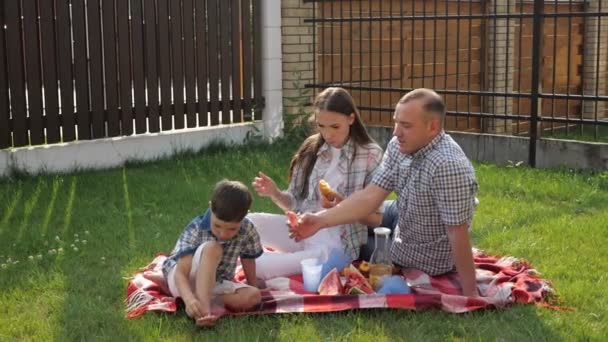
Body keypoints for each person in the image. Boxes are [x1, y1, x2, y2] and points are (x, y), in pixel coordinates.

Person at [290, 88, 480, 297]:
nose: (396, 132)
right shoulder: (399, 145)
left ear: (433, 127)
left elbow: (457, 232)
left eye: (406, 125)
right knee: (360, 219)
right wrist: (320, 220)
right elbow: (370, 195)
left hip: (417, 253)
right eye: (396, 122)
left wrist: (471, 294)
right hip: (403, 213)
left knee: (355, 245)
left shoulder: (448, 166)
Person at [248, 87, 384, 279]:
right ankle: (205, 259)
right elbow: (294, 202)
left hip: (334, 246)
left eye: (335, 127)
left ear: (351, 119)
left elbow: (376, 219)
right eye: (321, 126)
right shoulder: (312, 148)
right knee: (246, 223)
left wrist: (341, 203)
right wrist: (275, 193)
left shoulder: (370, 154)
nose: (328, 135)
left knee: (258, 267)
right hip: (300, 231)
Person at [161, 180, 264, 327]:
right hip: (183, 280)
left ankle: (206, 299)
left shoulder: (247, 229)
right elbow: (181, 273)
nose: (223, 234)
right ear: (211, 208)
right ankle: (203, 312)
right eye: (217, 225)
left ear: (244, 216)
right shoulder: (196, 228)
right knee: (213, 248)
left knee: (254, 296)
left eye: (232, 229)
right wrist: (189, 299)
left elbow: (248, 259)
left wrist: (253, 284)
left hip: (215, 283)